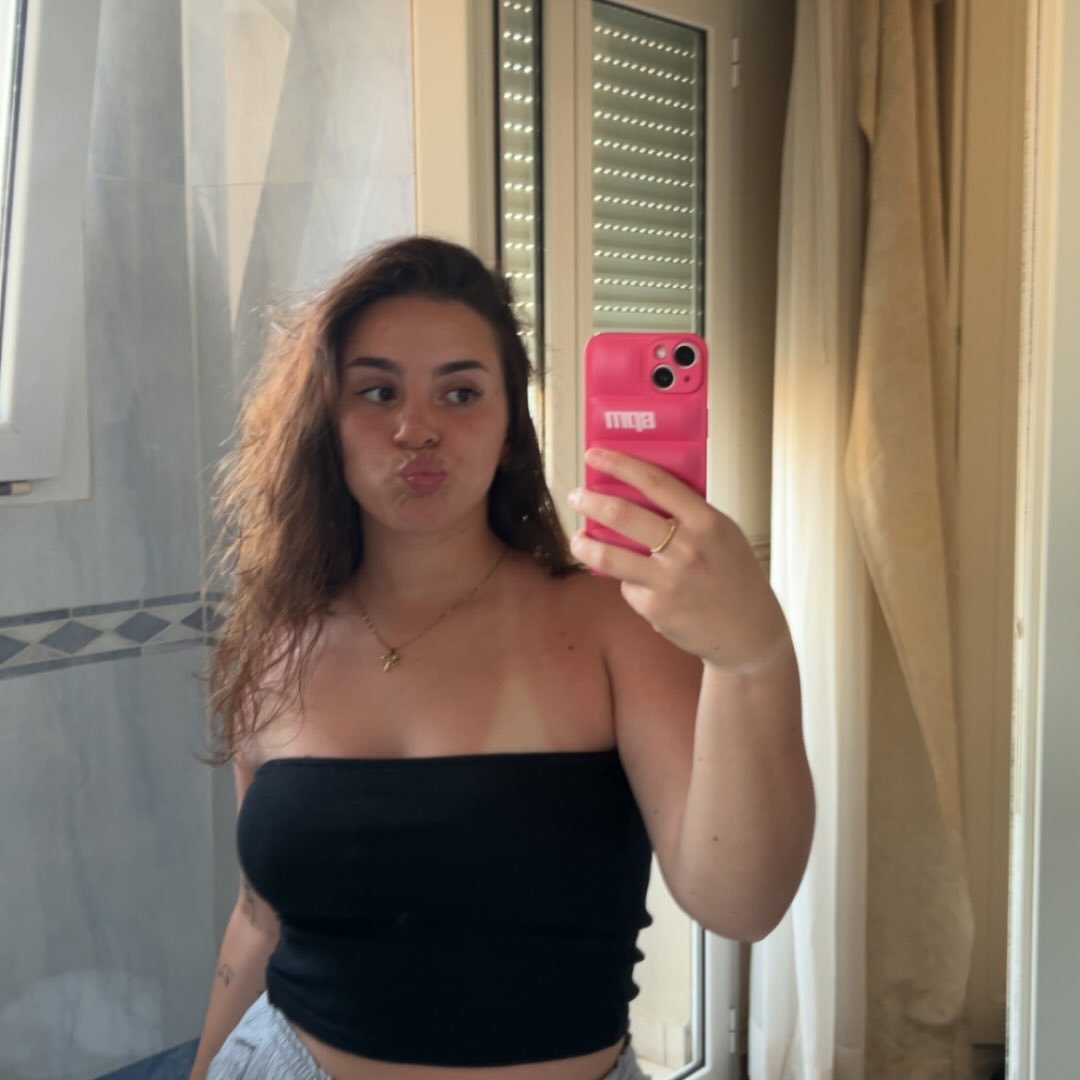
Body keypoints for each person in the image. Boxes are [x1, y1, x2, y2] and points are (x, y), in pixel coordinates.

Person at [190, 236, 815, 1080]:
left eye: (460, 392)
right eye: (377, 391)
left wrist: (754, 657)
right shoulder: (275, 641)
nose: (417, 429)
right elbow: (258, 919)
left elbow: (741, 904)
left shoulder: (612, 624)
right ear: (324, 423)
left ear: (510, 425)